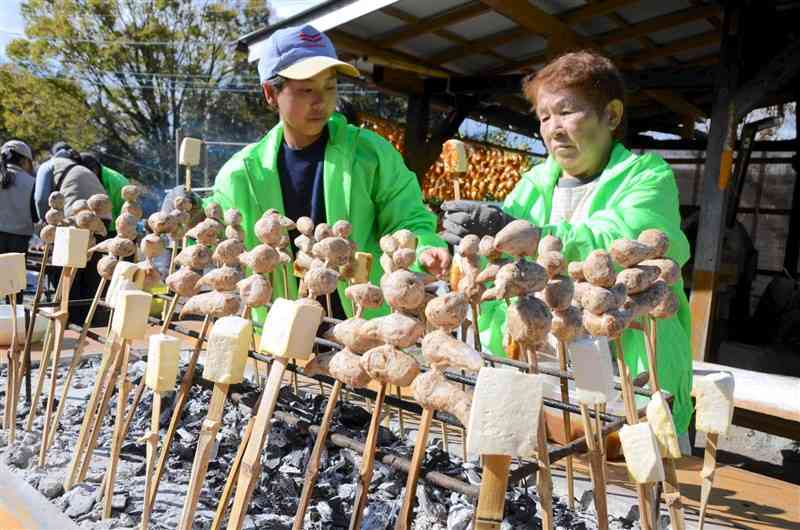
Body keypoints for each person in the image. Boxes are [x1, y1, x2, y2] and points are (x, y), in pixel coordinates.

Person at [440, 51, 693, 436]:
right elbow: (502, 263)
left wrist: (530, 236)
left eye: (566, 111)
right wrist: (472, 248)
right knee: (543, 473)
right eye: (544, 117)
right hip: (538, 365)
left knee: (618, 482)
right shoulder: (533, 183)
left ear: (611, 115)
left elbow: (624, 238)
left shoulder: (648, 176)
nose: (553, 128)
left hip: (618, 363)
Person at [205, 25, 449, 321]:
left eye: (330, 87)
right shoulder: (239, 174)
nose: (321, 101)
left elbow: (408, 218)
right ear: (271, 93)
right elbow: (216, 243)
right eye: (306, 89)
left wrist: (425, 246)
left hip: (362, 326)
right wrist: (193, 222)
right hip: (275, 330)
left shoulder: (370, 154)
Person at [0, 140, 38, 301]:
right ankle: (15, 321)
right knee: (13, 284)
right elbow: (35, 215)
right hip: (20, 238)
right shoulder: (32, 182)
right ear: (24, 160)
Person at [34, 141, 77, 220]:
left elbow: (41, 200)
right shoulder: (79, 166)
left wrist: (45, 220)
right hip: (92, 218)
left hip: (64, 220)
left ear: (53, 154)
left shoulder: (48, 165)